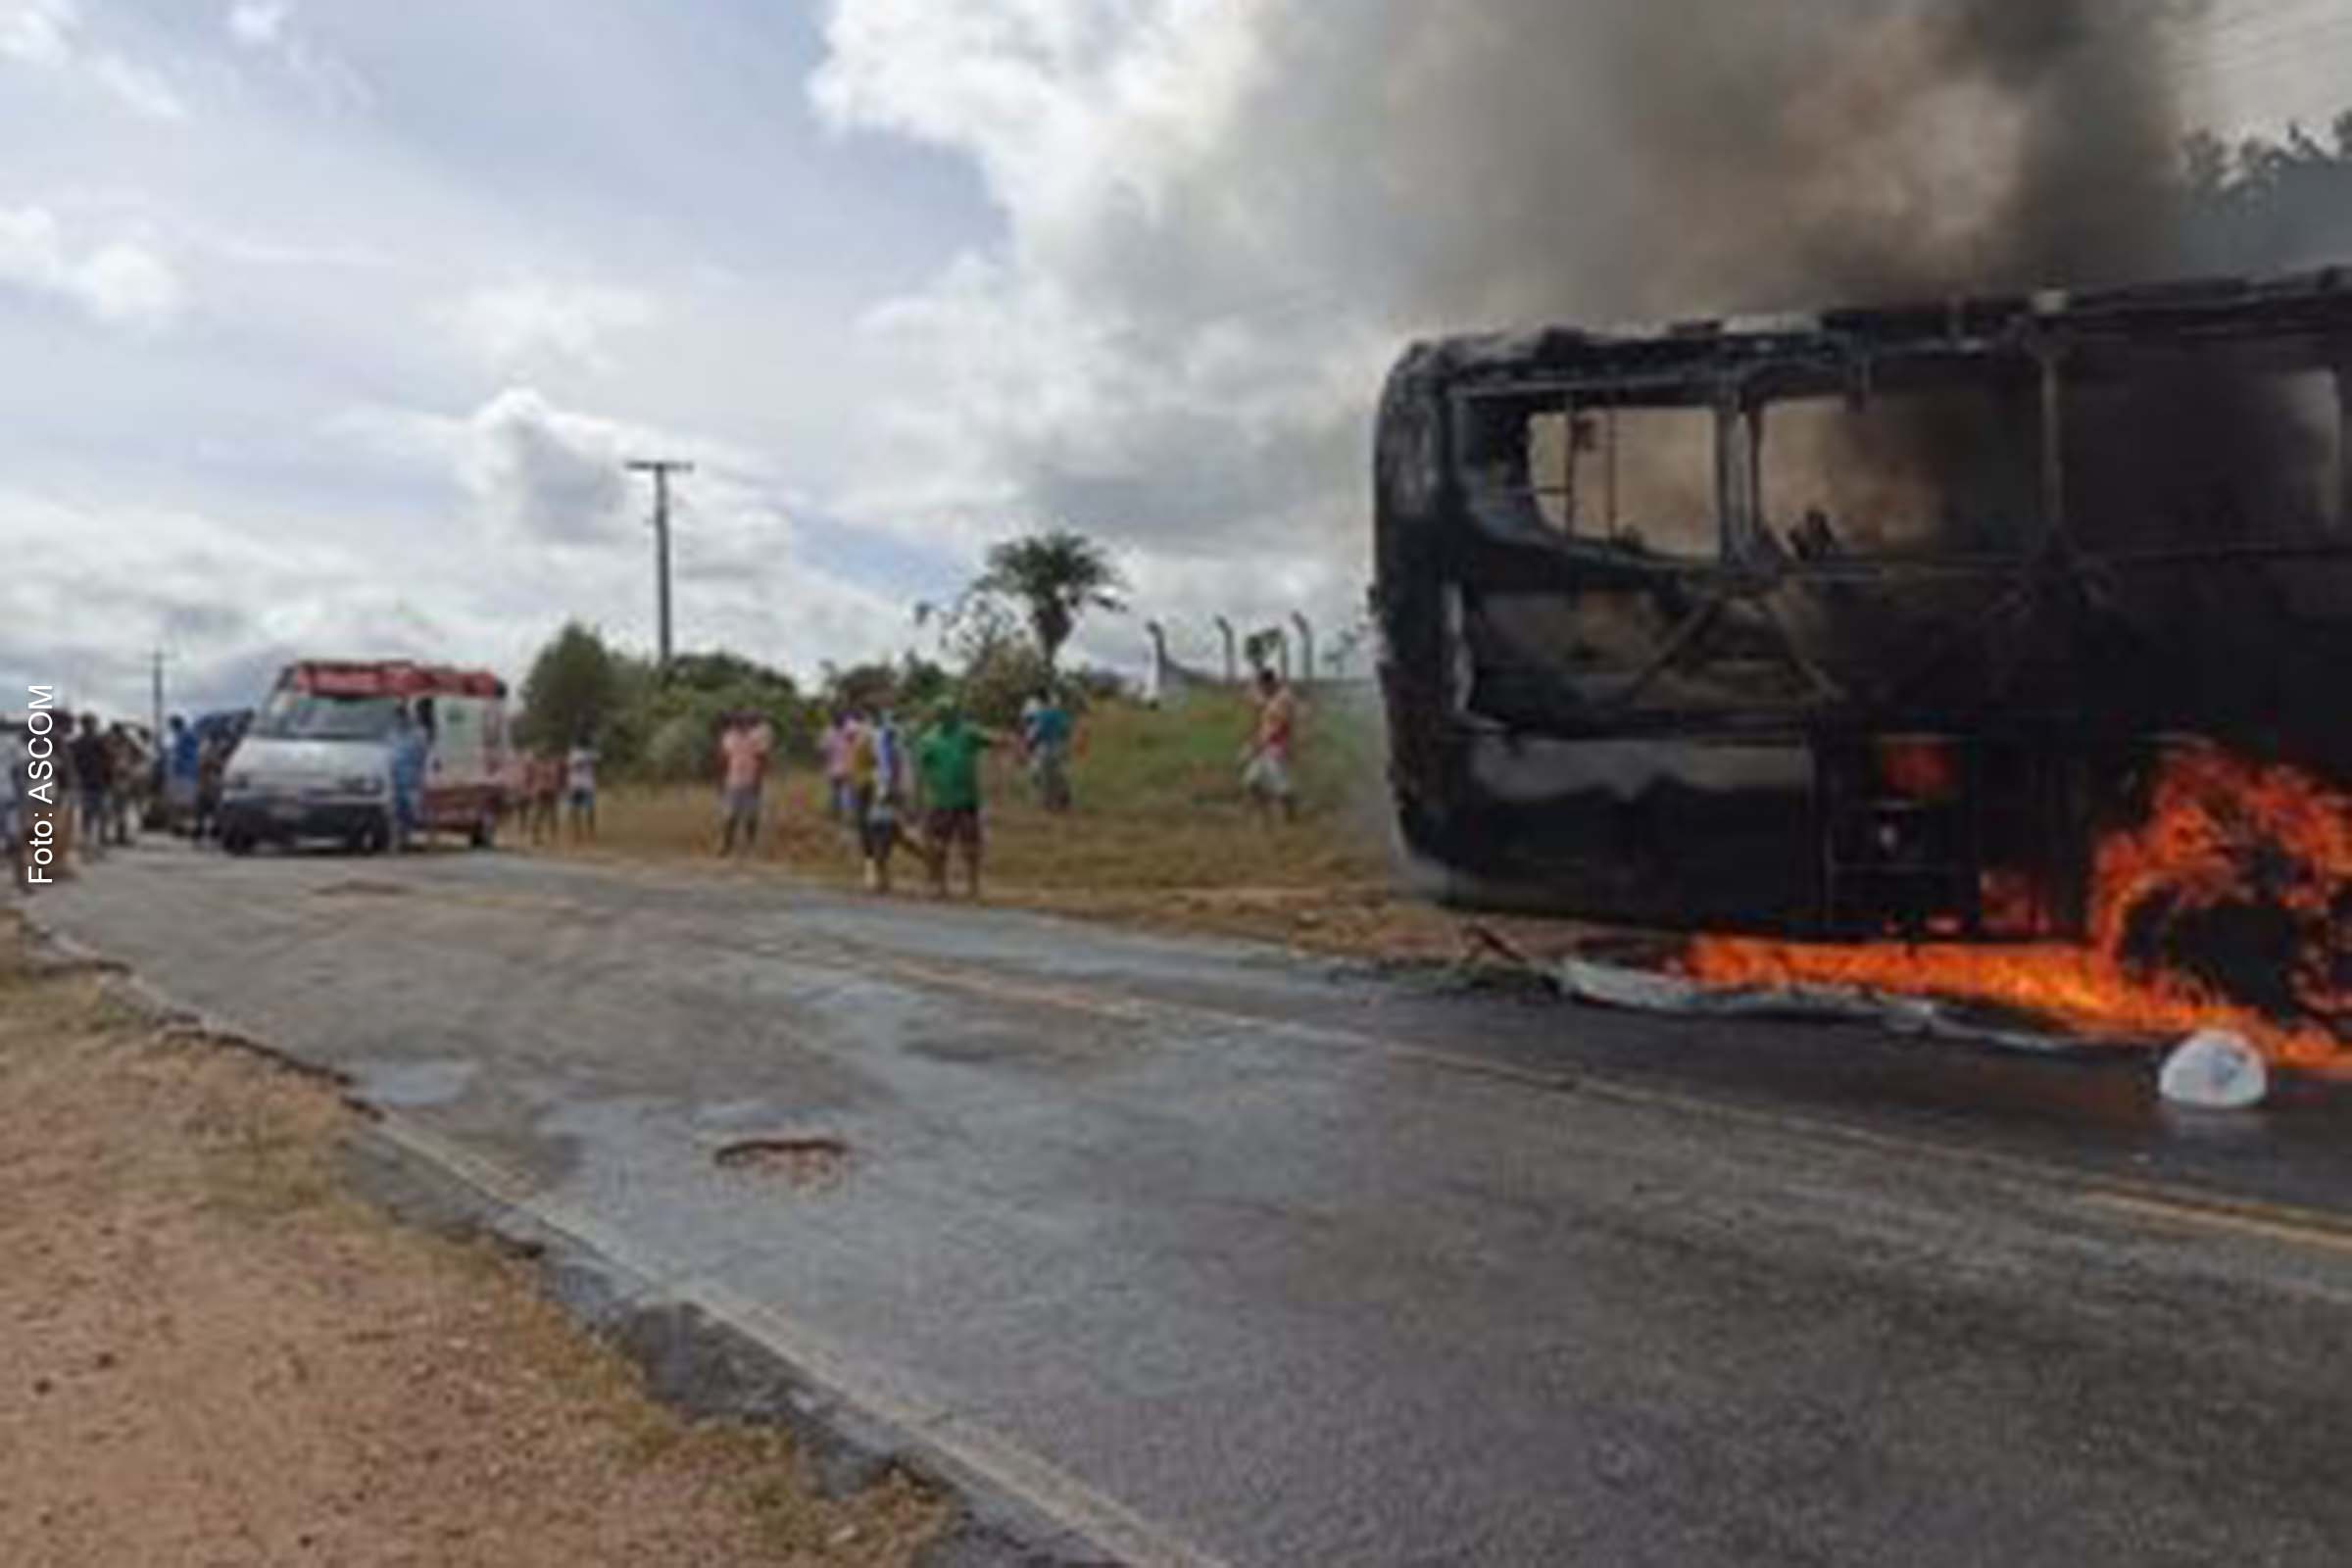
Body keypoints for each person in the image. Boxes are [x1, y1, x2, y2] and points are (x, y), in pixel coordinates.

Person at [914, 702, 992, 900]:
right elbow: (920, 770)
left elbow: (989, 739)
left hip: (967, 798)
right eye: (942, 713)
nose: (947, 717)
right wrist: (918, 798)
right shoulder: (929, 740)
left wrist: (1009, 742)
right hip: (941, 800)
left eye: (950, 713)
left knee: (971, 844)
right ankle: (941, 885)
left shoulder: (968, 734)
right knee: (939, 844)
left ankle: (973, 886)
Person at [1241, 668, 1299, 824]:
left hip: (1277, 747)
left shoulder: (1284, 699)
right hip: (1264, 745)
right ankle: (1264, 815)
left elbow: (1280, 726)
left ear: (1270, 683)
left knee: (1281, 788)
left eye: (1262, 685)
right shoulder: (1268, 696)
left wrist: (1257, 745)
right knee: (1251, 782)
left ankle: (1290, 814)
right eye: (1259, 686)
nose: (1260, 689)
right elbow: (1254, 699)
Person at [716, 712, 773, 858]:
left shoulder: (755, 738)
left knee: (751, 816)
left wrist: (758, 780)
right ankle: (726, 845)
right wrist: (721, 781)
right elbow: (724, 759)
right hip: (733, 781)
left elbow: (762, 759)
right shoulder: (729, 737)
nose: (741, 725)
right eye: (739, 723)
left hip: (750, 781)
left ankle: (750, 845)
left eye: (744, 722)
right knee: (730, 815)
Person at [1023, 689, 1074, 813]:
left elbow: (1034, 733)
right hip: (1059, 746)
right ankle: (1064, 801)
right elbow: (1066, 729)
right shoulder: (1059, 713)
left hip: (1045, 747)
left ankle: (1048, 803)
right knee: (1060, 775)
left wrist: (1029, 744)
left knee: (1044, 776)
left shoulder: (1041, 715)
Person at [69, 713, 111, 860]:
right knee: (98, 816)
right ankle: (96, 847)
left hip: (90, 783)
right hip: (94, 783)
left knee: (91, 817)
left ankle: (90, 847)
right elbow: (108, 761)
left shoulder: (77, 743)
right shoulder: (99, 742)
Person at [388, 706, 430, 852]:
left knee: (411, 809)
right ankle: (401, 838)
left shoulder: (418, 734)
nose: (399, 720)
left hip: (412, 778)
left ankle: (407, 836)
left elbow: (423, 755)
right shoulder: (393, 733)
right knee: (397, 810)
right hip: (395, 778)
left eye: (401, 716)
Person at [820, 710, 853, 824]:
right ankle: (841, 814)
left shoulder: (829, 732)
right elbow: (823, 750)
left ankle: (838, 814)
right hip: (842, 766)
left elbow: (823, 750)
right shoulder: (849, 731)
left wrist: (825, 762)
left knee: (838, 792)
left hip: (837, 767)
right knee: (842, 792)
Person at [564, 734, 600, 843]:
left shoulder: (582, 753)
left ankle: (587, 833)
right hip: (580, 784)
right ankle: (579, 833)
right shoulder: (577, 754)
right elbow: (572, 765)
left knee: (586, 810)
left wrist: (586, 757)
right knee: (578, 810)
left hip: (582, 784)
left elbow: (597, 760)